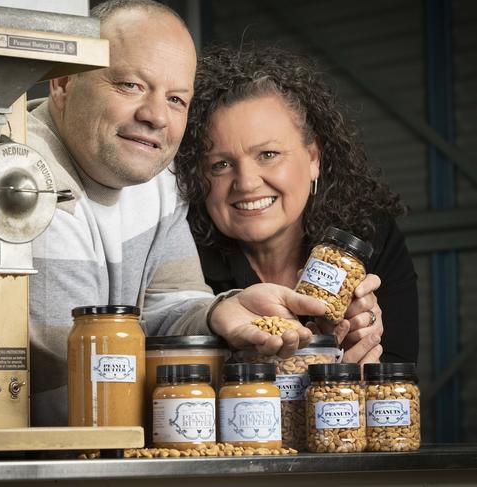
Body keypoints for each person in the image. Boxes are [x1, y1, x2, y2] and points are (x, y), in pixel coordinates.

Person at [27, 2, 325, 426]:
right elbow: (73, 388)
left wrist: (220, 310)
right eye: (130, 85)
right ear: (62, 81)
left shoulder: (160, 182)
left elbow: (169, 302)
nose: (155, 116)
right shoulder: (25, 177)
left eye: (175, 99)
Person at [175, 45, 419, 366]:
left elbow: (399, 373)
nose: (246, 182)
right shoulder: (179, 255)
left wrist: (357, 371)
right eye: (220, 164)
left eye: (268, 155)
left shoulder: (368, 238)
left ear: (313, 158)